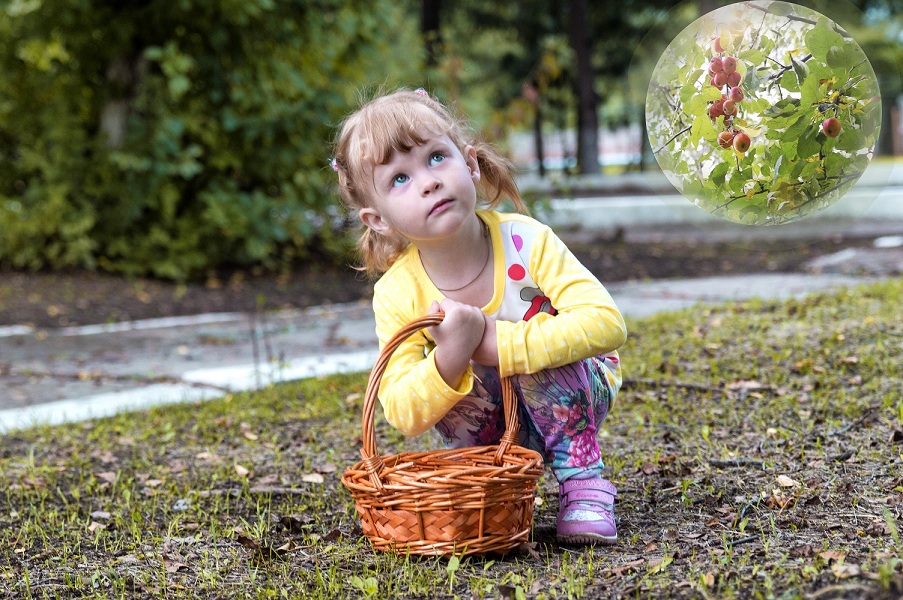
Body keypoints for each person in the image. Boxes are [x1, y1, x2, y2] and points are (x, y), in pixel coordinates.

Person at [331, 88, 627, 545]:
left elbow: (607, 323)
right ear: (378, 220)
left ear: (470, 163)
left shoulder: (527, 242)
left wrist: (496, 344)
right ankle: (491, 486)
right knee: (442, 379)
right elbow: (401, 410)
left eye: (435, 158)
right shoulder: (397, 292)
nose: (428, 182)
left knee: (546, 350)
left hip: (575, 395)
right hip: (492, 425)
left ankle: (583, 482)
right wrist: (451, 355)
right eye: (399, 180)